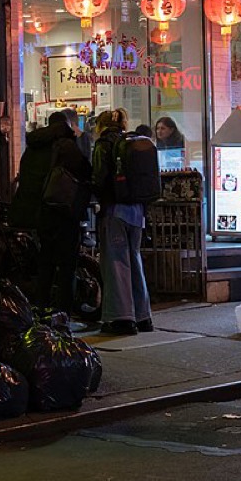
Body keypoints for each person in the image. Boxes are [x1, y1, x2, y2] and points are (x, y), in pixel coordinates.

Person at [9, 110, 92, 316]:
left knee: (45, 263)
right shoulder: (66, 146)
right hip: (62, 213)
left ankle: (41, 309)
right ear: (66, 126)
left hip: (40, 214)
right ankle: (63, 313)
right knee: (66, 266)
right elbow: (85, 172)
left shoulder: (33, 148)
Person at [92, 108, 153, 336]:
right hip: (137, 211)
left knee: (116, 263)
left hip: (115, 210)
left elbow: (99, 178)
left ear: (101, 125)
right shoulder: (132, 142)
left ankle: (121, 319)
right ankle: (142, 316)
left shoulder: (104, 144)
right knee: (134, 260)